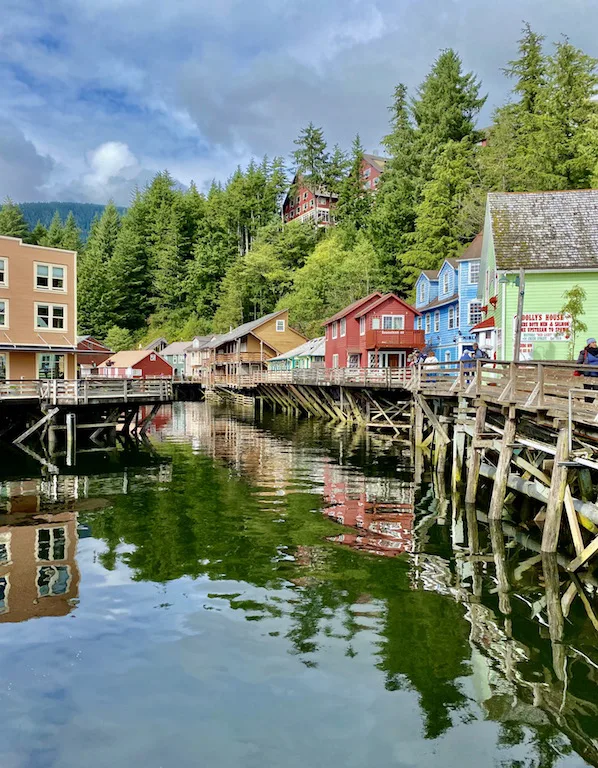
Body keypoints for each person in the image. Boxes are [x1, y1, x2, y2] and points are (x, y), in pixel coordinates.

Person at [576, 337, 598, 402]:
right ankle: (587, 405)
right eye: (593, 342)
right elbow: (579, 362)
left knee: (596, 390)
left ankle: (592, 405)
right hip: (588, 374)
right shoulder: (584, 352)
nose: (595, 344)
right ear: (589, 344)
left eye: (595, 342)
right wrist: (581, 371)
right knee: (587, 390)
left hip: (596, 374)